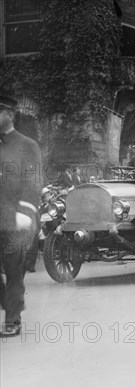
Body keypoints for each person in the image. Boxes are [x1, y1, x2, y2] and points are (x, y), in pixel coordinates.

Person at [0, 94, 42, 337]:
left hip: (16, 220)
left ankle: (12, 318)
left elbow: (34, 181)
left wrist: (25, 211)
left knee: (14, 271)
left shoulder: (28, 146)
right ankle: (11, 302)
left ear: (9, 115)